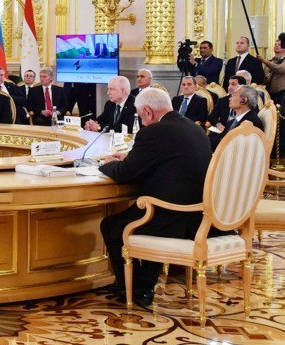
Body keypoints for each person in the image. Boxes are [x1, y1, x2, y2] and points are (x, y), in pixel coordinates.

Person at [98, 87, 212, 309]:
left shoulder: (153, 132)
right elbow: (167, 158)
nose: (142, 122)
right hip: (199, 215)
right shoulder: (193, 127)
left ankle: (135, 287)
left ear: (148, 112)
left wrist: (107, 164)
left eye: (141, 116)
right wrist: (131, 157)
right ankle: (143, 283)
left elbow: (124, 173)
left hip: (171, 214)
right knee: (133, 220)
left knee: (112, 227)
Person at [210, 85, 263, 150]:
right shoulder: (232, 121)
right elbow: (222, 138)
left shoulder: (251, 123)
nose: (229, 99)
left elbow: (234, 146)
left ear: (243, 100)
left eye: (233, 95)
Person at [260, 33, 285, 107]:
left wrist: (265, 62)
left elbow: (280, 69)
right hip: (269, 93)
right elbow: (265, 75)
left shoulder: (268, 62)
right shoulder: (271, 61)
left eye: (279, 44)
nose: (276, 46)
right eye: (275, 44)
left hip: (281, 93)